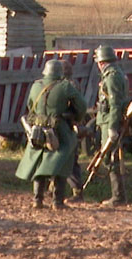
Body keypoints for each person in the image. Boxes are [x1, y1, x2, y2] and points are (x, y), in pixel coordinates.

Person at [15, 59, 88, 209]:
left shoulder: (36, 85)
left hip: (37, 129)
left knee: (38, 161)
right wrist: (75, 118)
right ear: (60, 72)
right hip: (59, 129)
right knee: (62, 162)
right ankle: (57, 202)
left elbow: (30, 107)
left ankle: (37, 200)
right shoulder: (65, 86)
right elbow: (81, 106)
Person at [93, 45, 129, 205]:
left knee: (110, 158)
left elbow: (115, 104)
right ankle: (118, 196)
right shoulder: (113, 74)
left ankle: (118, 197)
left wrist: (112, 127)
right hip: (106, 119)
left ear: (101, 62)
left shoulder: (112, 76)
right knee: (109, 157)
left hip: (109, 121)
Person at [60, 60, 88, 202]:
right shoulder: (70, 83)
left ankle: (77, 192)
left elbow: (75, 107)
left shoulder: (69, 85)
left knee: (70, 160)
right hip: (67, 124)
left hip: (70, 125)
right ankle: (56, 189)